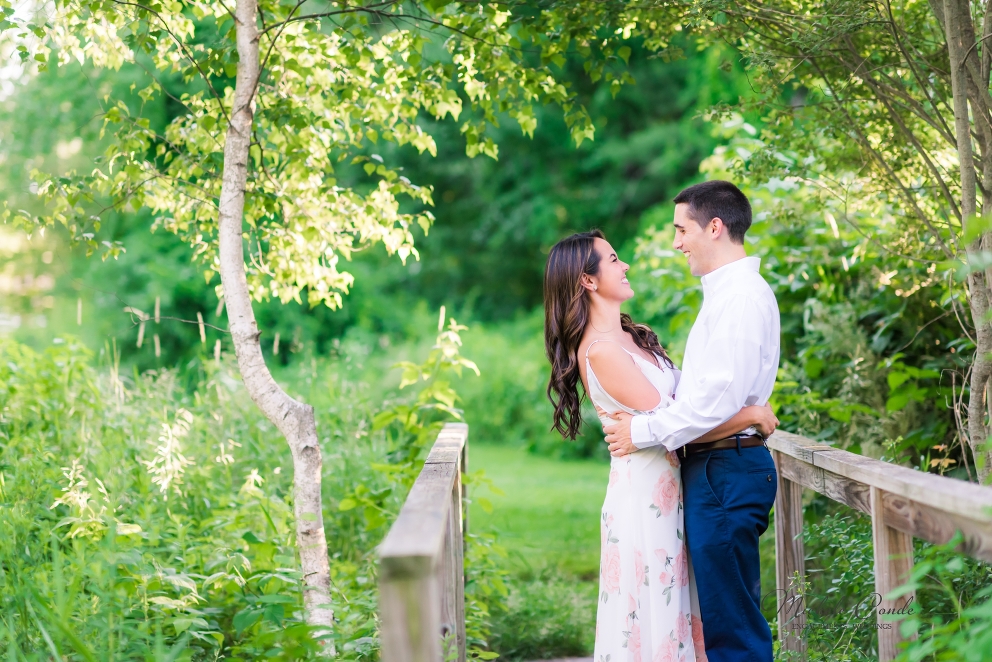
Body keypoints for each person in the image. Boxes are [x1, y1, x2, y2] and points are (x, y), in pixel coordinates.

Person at [543, 228, 779, 662]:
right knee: (655, 607)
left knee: (689, 606)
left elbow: (681, 412)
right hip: (646, 496)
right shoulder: (600, 352)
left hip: (677, 484)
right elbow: (677, 426)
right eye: (613, 259)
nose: (625, 264)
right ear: (588, 281)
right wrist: (750, 415)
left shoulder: (637, 336)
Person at [602, 180, 781, 662]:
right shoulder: (725, 295)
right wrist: (750, 413)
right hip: (718, 468)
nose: (677, 242)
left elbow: (712, 403)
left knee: (732, 632)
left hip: (726, 471)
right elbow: (706, 393)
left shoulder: (739, 298)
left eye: (682, 229)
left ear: (715, 227)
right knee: (723, 622)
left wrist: (638, 432)